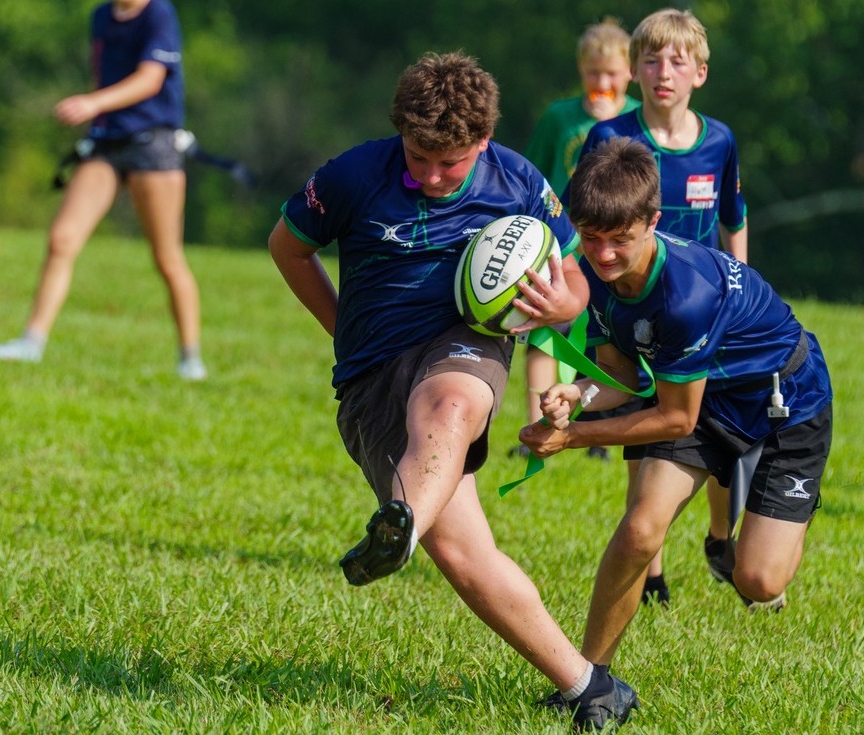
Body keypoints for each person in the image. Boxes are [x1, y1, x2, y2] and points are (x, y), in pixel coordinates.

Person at [266, 51, 637, 729]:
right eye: (420, 158)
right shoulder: (354, 174)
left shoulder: (517, 179)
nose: (433, 176)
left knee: (451, 402)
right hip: (371, 375)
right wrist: (339, 327)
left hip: (468, 342)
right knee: (465, 555)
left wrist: (562, 304)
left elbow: (576, 270)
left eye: (452, 163)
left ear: (484, 143)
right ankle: (590, 686)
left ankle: (398, 527)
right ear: (399, 134)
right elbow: (286, 247)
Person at [521, 136, 831, 679]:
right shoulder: (594, 274)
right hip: (699, 393)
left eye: (622, 239)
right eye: (591, 239)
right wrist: (579, 395)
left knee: (758, 580)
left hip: (785, 402)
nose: (605, 254)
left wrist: (574, 437)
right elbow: (619, 372)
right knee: (641, 529)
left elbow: (674, 418)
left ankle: (771, 521)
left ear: (654, 219)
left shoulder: (687, 295)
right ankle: (590, 680)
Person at [574, 7, 749, 602]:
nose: (663, 71)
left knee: (719, 429)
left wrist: (740, 282)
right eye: (650, 59)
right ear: (633, 70)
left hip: (702, 312)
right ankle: (650, 573)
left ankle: (720, 537)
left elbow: (732, 217)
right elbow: (586, 224)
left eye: (677, 61)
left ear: (700, 72)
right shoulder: (610, 137)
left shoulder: (719, 139)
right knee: (641, 434)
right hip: (628, 306)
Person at [0, 0, 206, 380]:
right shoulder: (101, 16)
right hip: (107, 143)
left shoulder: (158, 14)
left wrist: (92, 102)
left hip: (153, 145)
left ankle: (190, 360)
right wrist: (95, 113)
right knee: (62, 239)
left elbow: (150, 79)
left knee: (167, 258)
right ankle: (31, 343)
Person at [515, 18, 641, 466]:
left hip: (611, 249)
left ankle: (591, 432)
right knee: (546, 333)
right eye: (593, 72)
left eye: (611, 73)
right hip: (561, 243)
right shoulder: (559, 117)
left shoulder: (635, 123)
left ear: (630, 73)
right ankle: (536, 426)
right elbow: (532, 173)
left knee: (601, 341)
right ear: (580, 71)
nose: (601, 82)